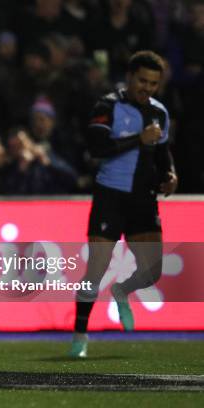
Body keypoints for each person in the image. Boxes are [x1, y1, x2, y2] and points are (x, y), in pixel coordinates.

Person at [69, 51, 177, 358]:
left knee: (153, 271)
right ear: (129, 77)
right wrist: (138, 139)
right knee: (96, 269)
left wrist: (171, 174)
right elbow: (97, 147)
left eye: (153, 83)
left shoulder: (159, 112)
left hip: (143, 199)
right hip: (111, 196)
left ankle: (122, 290)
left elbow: (162, 151)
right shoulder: (108, 106)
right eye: (142, 80)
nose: (147, 88)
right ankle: (80, 336)